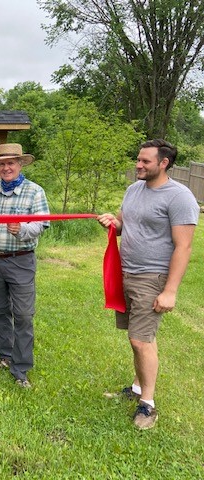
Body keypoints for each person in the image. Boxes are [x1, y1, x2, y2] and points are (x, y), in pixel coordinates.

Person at [97, 139, 199, 430]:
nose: (138, 165)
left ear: (163, 163)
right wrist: (111, 223)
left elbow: (184, 247)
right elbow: (122, 224)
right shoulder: (133, 190)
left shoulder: (179, 197)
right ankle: (138, 388)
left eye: (145, 162)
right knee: (135, 336)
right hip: (126, 272)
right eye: (138, 160)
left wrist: (170, 291)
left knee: (141, 339)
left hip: (152, 277)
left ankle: (148, 405)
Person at [0, 143, 50, 388]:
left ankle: (21, 368)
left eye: (11, 163)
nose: (6, 168)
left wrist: (22, 229)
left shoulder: (35, 192)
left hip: (21, 260)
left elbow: (42, 225)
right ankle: (5, 356)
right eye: (2, 164)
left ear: (20, 164)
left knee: (24, 315)